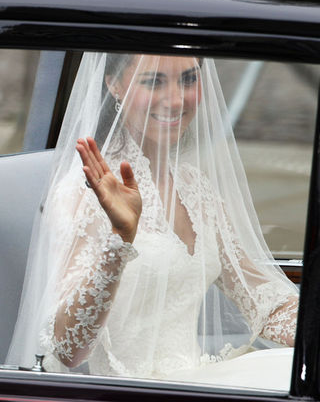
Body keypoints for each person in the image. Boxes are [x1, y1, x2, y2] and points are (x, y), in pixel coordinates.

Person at [7, 53, 298, 386]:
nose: (175, 99)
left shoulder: (197, 191)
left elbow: (266, 303)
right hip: (123, 391)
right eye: (153, 81)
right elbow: (68, 348)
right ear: (114, 85)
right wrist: (119, 240)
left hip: (194, 381)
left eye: (188, 79)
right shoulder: (81, 194)